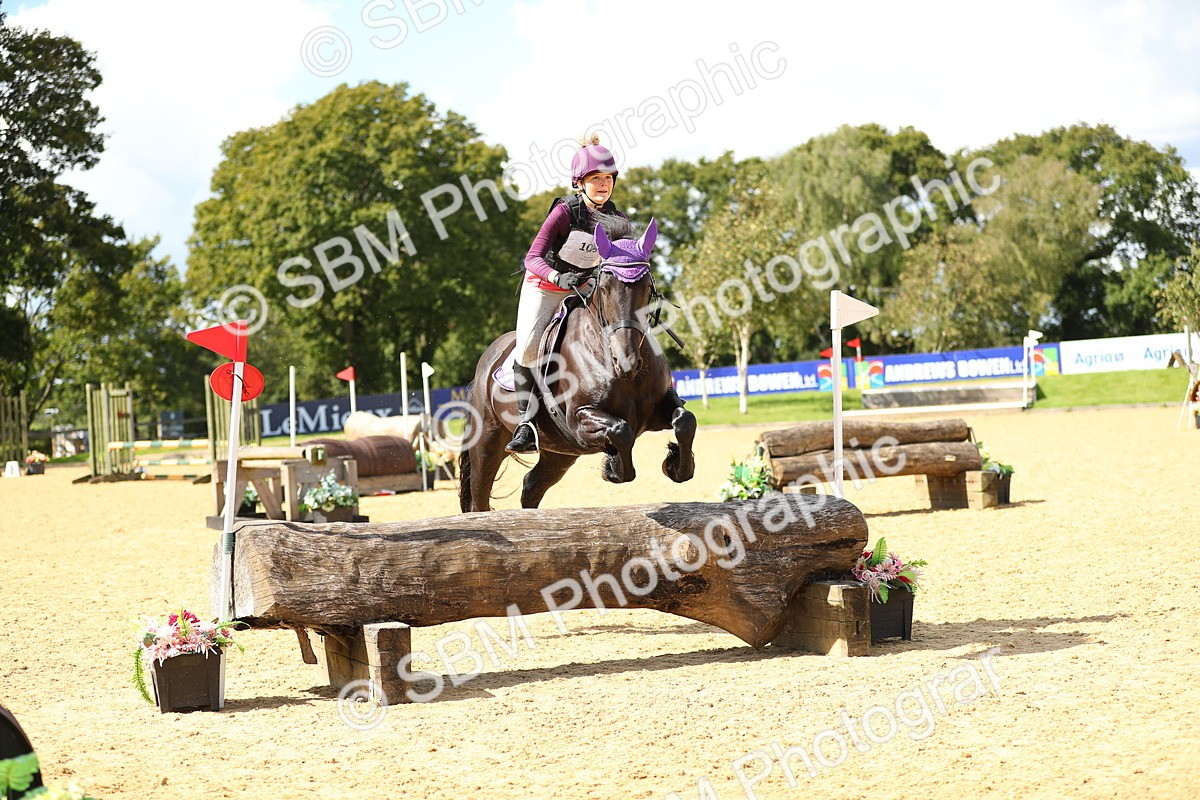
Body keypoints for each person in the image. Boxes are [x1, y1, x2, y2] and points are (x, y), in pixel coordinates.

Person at [506, 134, 625, 453]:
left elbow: (620, 260)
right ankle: (526, 424)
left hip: (584, 287)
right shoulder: (563, 213)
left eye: (607, 178)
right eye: (595, 178)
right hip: (544, 287)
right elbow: (532, 258)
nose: (603, 184)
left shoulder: (617, 219)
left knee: (620, 329)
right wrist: (559, 275)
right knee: (529, 349)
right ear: (580, 182)